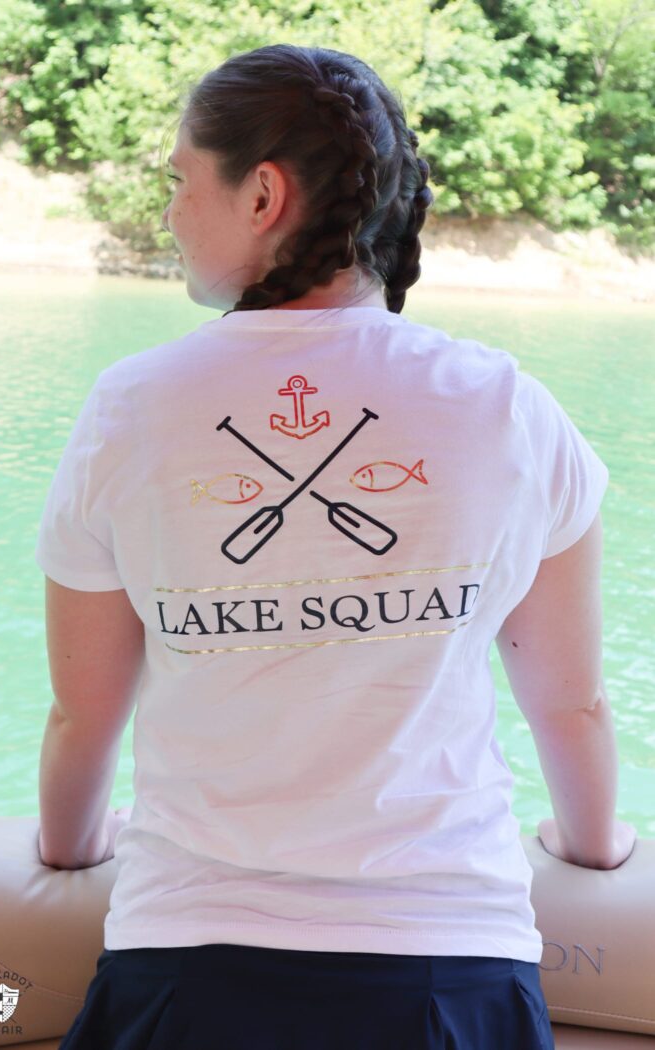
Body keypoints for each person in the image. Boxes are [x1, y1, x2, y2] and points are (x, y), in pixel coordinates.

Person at [35, 42, 636, 1050]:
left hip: (188, 967)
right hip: (452, 970)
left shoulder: (130, 409)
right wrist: (591, 848)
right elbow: (570, 704)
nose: (170, 212)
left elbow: (80, 713)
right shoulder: (503, 406)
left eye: (181, 180)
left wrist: (64, 851)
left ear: (261, 194)